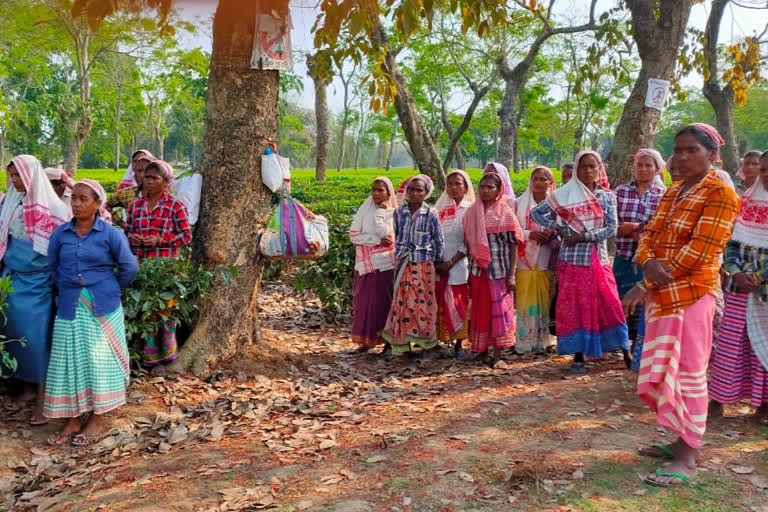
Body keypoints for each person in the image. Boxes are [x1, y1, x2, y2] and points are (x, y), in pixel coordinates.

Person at [623, 123, 739, 487]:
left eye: (693, 150)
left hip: (692, 296)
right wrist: (646, 262)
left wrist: (644, 281)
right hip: (662, 295)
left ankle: (689, 454)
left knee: (688, 371)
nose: (683, 157)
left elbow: (701, 251)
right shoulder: (673, 192)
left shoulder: (720, 192)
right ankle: (678, 439)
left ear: (713, 156)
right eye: (679, 150)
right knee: (664, 371)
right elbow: (649, 234)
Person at [43, 179, 137, 446]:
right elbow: (53, 269)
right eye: (74, 198)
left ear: (98, 204)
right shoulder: (61, 234)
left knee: (98, 360)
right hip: (70, 306)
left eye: (83, 199)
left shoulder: (110, 234)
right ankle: (72, 418)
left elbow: (129, 268)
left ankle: (97, 417)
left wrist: (107, 288)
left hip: (102, 307)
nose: (75, 203)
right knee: (69, 361)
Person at [531, 150, 628, 374]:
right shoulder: (565, 194)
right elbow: (537, 213)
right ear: (576, 169)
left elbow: (611, 228)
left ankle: (624, 350)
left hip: (597, 258)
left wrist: (583, 236)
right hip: (571, 260)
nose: (587, 171)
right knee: (575, 306)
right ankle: (578, 356)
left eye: (592, 166)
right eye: (583, 166)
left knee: (609, 302)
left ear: (599, 169)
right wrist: (561, 229)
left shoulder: (606, 196)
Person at [0, 155, 70, 425]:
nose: (14, 181)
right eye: (11, 176)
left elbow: (58, 248)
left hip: (36, 282)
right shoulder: (10, 202)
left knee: (36, 337)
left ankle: (43, 399)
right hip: (12, 277)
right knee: (13, 332)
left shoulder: (53, 208)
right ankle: (27, 389)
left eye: (18, 176)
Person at [709, 149, 768, 424]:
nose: (766, 175)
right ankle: (718, 399)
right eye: (764, 170)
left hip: (763, 293)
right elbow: (730, 244)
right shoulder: (746, 202)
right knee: (730, 346)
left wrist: (756, 278)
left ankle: (763, 405)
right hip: (737, 289)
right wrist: (735, 272)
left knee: (763, 348)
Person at [125, 159, 191, 369]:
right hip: (141, 268)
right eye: (147, 177)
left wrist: (161, 240)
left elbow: (186, 236)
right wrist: (132, 238)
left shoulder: (175, 206)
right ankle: (141, 357)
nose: (150, 181)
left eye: (155, 178)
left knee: (163, 315)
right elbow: (126, 231)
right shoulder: (135, 206)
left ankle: (163, 359)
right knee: (140, 312)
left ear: (166, 182)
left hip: (165, 271)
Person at [463, 172, 522, 366]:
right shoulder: (472, 212)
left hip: (499, 271)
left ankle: (498, 355)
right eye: (483, 187)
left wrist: (512, 275)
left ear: (499, 190)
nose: (486, 191)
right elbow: (468, 243)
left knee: (499, 311)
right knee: (481, 311)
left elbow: (513, 245)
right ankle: (482, 350)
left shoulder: (504, 212)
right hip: (479, 270)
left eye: (491, 187)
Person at [614, 149, 665, 371]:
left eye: (648, 166)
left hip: (650, 260)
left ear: (657, 169)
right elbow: (611, 220)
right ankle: (623, 346)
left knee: (645, 305)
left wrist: (635, 227)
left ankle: (639, 349)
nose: (643, 169)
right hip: (624, 255)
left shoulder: (663, 194)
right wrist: (620, 229)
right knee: (622, 302)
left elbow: (662, 224)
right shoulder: (621, 191)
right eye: (640, 165)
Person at [382, 175, 444, 356]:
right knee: (401, 302)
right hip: (403, 262)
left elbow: (438, 240)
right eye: (412, 190)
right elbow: (398, 234)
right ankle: (402, 343)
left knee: (422, 305)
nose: (415, 193)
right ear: (407, 192)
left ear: (426, 193)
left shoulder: (431, 213)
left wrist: (438, 260)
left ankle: (425, 343)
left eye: (419, 190)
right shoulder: (399, 212)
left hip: (423, 263)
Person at [349, 177, 397, 354]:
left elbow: (388, 236)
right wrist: (375, 240)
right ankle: (366, 341)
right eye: (374, 189)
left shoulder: (393, 213)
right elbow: (354, 235)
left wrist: (381, 215)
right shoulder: (365, 209)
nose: (376, 193)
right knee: (364, 303)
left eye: (380, 190)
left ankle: (388, 342)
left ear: (388, 193)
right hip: (364, 265)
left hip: (385, 265)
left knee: (384, 303)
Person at [514, 166, 557, 353]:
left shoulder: (556, 205)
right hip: (525, 257)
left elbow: (565, 227)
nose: (539, 182)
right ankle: (525, 340)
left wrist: (551, 232)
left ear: (550, 182)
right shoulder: (518, 203)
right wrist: (530, 234)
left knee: (545, 296)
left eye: (544, 178)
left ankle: (543, 339)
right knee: (526, 297)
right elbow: (512, 229)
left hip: (547, 255)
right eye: (535, 178)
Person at [434, 170, 474, 358]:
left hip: (459, 265)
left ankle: (459, 344)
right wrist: (438, 261)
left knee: (459, 303)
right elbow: (432, 235)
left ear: (466, 186)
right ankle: (441, 340)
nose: (454, 187)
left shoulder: (471, 209)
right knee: (440, 302)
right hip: (439, 264)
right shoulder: (439, 209)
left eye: (458, 184)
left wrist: (451, 262)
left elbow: (470, 241)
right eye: (450, 184)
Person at [108, 153, 154, 229]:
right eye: (139, 171)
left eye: (146, 171)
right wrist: (122, 224)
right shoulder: (126, 193)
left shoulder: (164, 198)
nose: (142, 175)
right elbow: (105, 205)